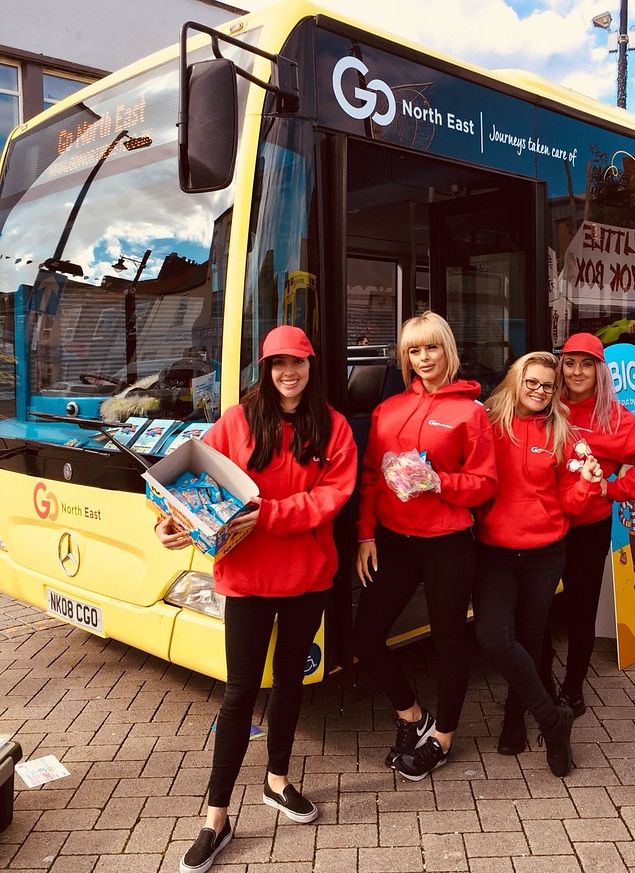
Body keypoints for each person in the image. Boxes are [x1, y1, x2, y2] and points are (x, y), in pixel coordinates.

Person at [156, 325, 357, 873]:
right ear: (264, 370)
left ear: (311, 365)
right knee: (240, 693)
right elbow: (189, 484)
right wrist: (169, 525)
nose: (287, 373)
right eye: (276, 364)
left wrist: (266, 512)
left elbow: (329, 500)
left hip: (307, 577)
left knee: (289, 683)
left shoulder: (334, 428)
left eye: (296, 362)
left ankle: (277, 782)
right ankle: (215, 819)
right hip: (245, 577)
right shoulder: (237, 422)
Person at [354, 311, 497, 781]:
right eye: (413, 351)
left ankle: (444, 737)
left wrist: (440, 481)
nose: (423, 358)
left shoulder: (470, 412)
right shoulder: (387, 409)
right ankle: (414, 717)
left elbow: (484, 484)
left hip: (448, 544)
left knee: (449, 642)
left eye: (431, 348)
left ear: (446, 350)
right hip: (394, 541)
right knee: (366, 637)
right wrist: (366, 535)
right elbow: (372, 478)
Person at [473, 351, 603, 777]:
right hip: (495, 550)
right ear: (516, 380)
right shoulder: (489, 423)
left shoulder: (562, 432)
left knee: (529, 640)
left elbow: (569, 501)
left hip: (546, 552)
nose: (540, 391)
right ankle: (552, 718)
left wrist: (587, 483)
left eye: (548, 386)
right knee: (494, 634)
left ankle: (514, 719)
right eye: (533, 382)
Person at [548, 332, 635, 718]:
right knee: (535, 611)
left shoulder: (614, 418)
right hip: (543, 527)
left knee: (580, 611)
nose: (577, 371)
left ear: (599, 370)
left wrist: (615, 490)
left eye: (586, 364)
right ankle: (537, 687)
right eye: (570, 362)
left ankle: (573, 690)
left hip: (588, 528)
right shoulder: (548, 407)